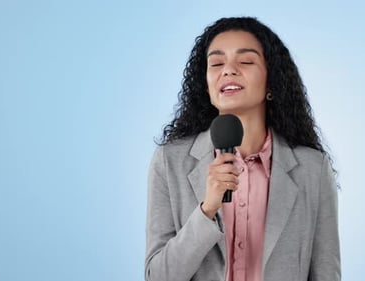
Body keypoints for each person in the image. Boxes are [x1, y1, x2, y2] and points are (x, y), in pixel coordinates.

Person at [145, 17, 340, 281]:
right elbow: (157, 277)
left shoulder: (313, 168)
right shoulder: (170, 162)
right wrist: (207, 209)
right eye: (216, 63)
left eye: (246, 61)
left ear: (272, 82)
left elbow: (326, 273)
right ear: (206, 84)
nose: (228, 70)